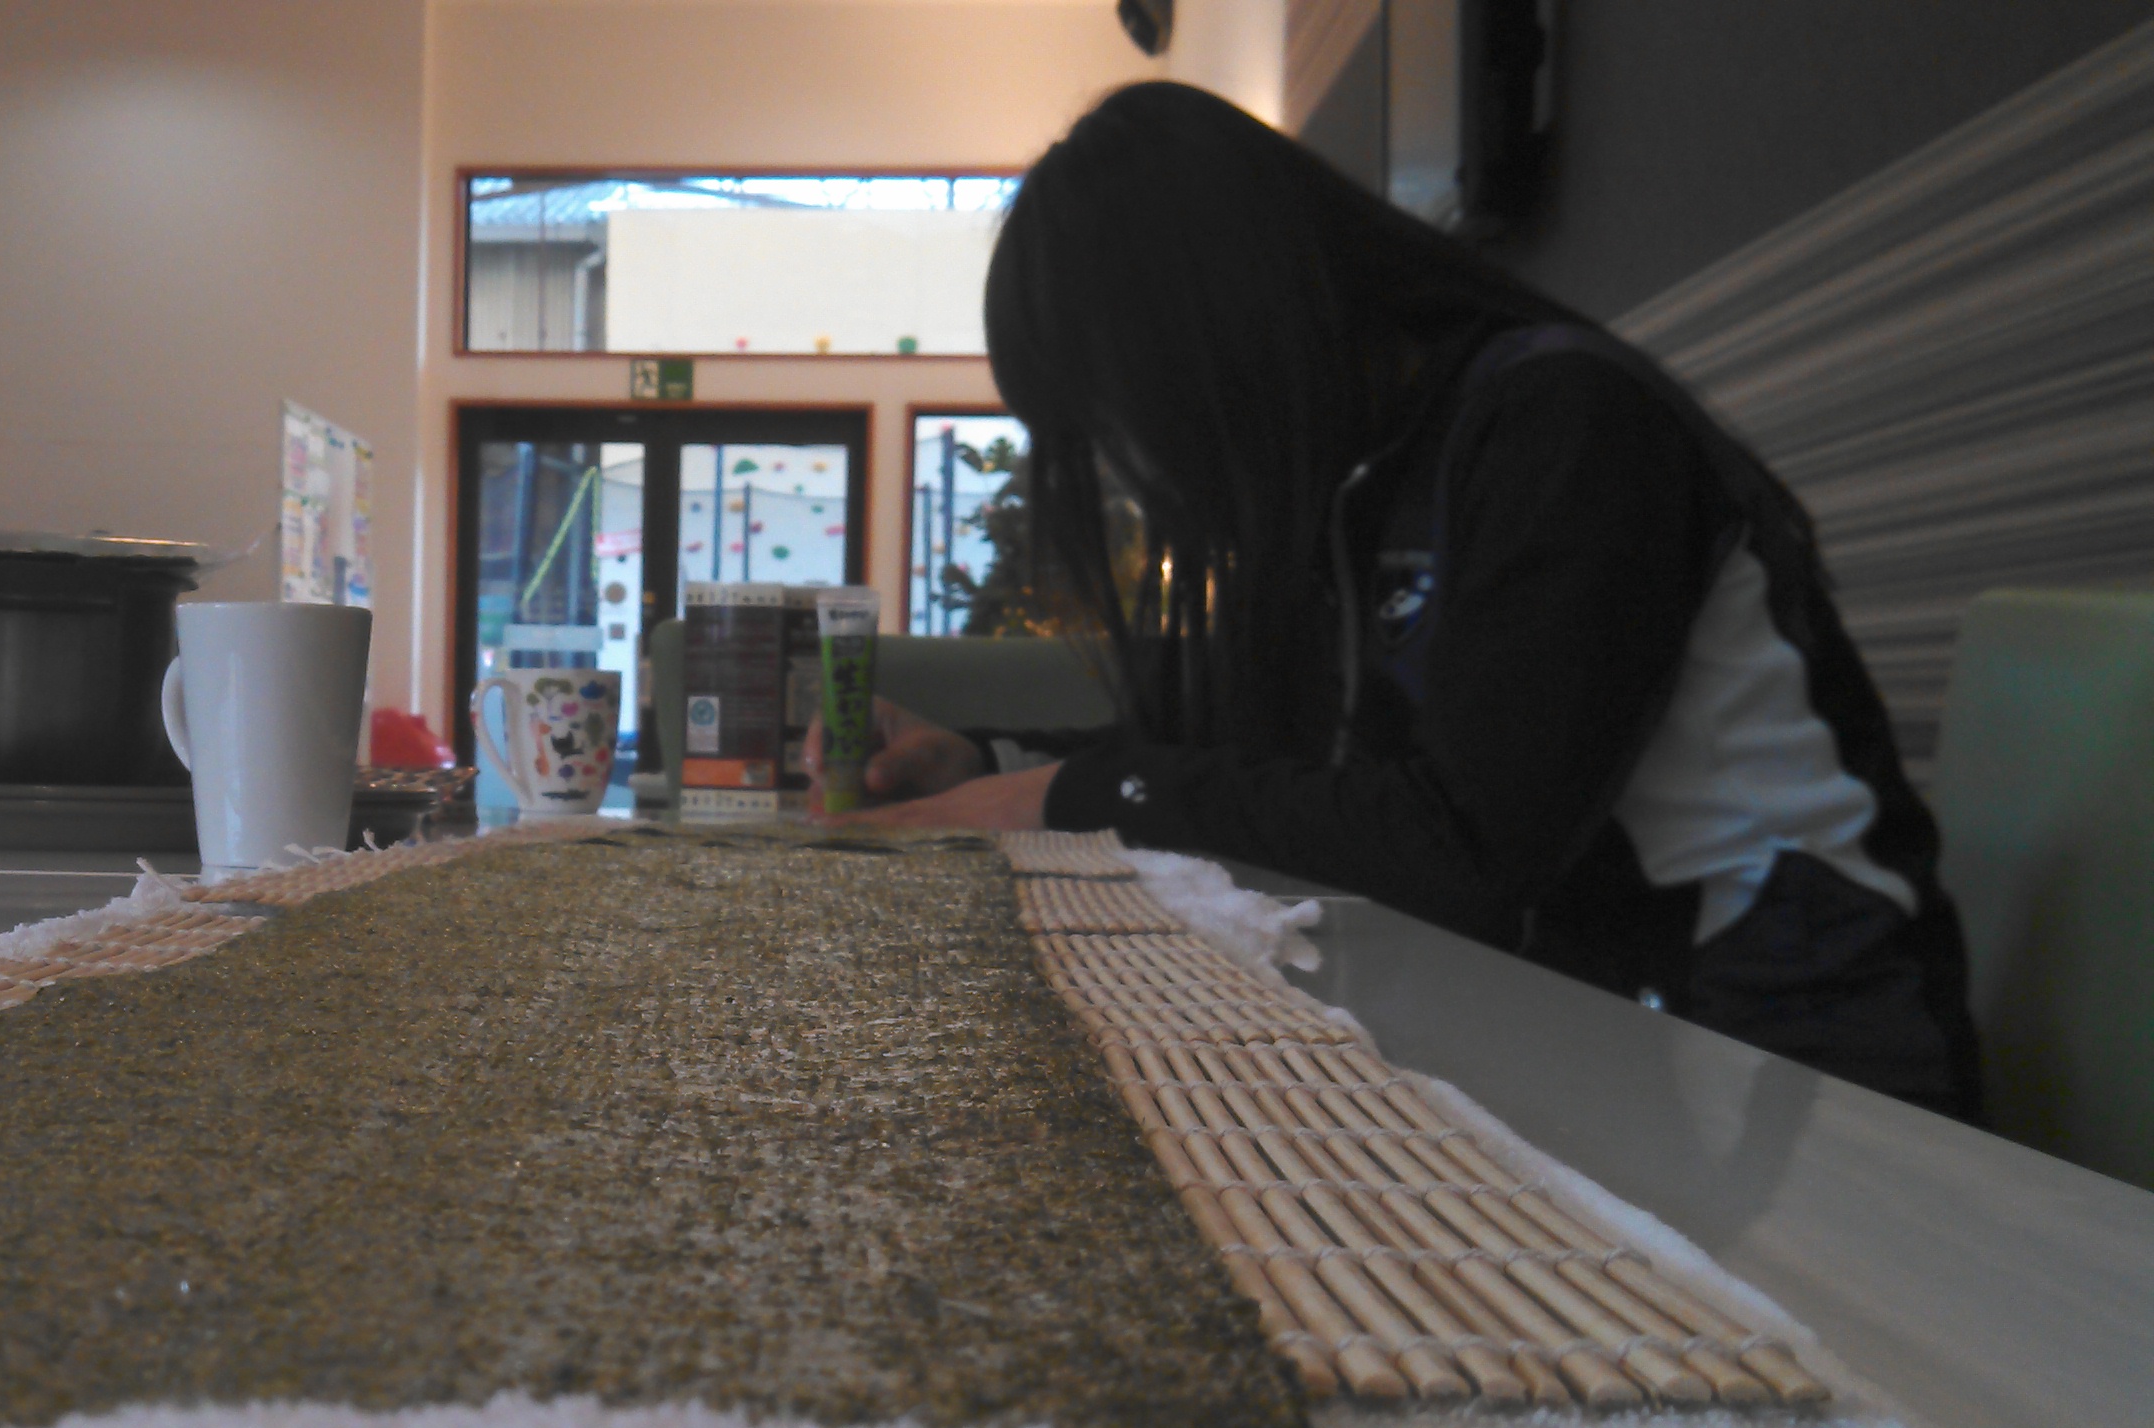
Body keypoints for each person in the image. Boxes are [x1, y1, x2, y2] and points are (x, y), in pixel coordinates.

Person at [830, 83, 1978, 1117]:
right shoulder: (1365, 483)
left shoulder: (1562, 426)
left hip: (1794, 1072)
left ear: (1213, 340)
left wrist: (1062, 794)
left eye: (1122, 421)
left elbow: (1461, 852)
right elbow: (1267, 768)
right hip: (1586, 1037)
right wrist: (989, 766)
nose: (1135, 472)